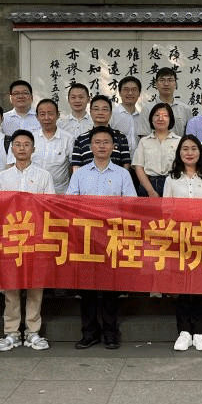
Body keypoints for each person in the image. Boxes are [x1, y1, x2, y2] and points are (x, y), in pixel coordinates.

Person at [68, 126, 138, 349]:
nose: (101, 146)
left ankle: (110, 332)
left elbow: (131, 205)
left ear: (113, 146)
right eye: (97, 142)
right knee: (86, 289)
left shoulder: (122, 174)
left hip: (112, 236)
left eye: (106, 142)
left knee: (110, 288)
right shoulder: (80, 174)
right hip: (86, 237)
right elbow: (70, 204)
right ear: (90, 146)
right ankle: (89, 333)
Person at [0, 130, 55, 353]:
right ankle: (11, 332)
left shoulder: (44, 175)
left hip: (35, 237)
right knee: (11, 287)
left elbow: (49, 206)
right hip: (10, 237)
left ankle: (33, 332)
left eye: (26, 144)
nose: (22, 148)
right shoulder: (2, 177)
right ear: (12, 149)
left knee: (35, 286)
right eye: (18, 144)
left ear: (33, 149)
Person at [163, 136, 202, 352]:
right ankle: (184, 332)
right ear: (179, 153)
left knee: (201, 286)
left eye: (193, 149)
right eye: (185, 149)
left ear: (200, 153)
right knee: (182, 286)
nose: (189, 153)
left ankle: (200, 332)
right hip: (179, 239)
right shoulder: (172, 178)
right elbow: (166, 210)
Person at [70, 94, 130, 171]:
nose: (100, 113)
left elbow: (126, 164)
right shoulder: (80, 139)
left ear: (110, 113)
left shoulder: (121, 137)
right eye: (96, 109)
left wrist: (122, 177)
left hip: (116, 178)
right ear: (90, 112)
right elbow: (76, 166)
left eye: (104, 109)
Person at [133, 102, 181, 197]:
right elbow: (139, 167)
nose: (160, 118)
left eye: (165, 116)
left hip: (173, 185)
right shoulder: (144, 141)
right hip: (148, 185)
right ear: (151, 119)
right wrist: (150, 191)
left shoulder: (179, 141)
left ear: (170, 119)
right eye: (157, 115)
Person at [33, 98, 75, 194]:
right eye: (42, 114)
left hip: (60, 193)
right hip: (35, 193)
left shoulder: (68, 138)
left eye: (50, 113)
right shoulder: (31, 138)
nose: (46, 118)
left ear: (58, 115)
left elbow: (73, 167)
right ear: (37, 117)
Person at [111, 76, 149, 151]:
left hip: (138, 157)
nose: (130, 93)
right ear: (120, 93)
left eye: (134, 90)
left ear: (139, 93)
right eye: (126, 90)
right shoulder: (112, 115)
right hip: (118, 157)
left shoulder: (142, 116)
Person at [153, 67, 192, 132]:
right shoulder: (147, 109)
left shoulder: (185, 109)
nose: (166, 84)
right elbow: (144, 136)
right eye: (162, 80)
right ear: (156, 84)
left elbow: (190, 135)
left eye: (170, 80)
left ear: (175, 84)